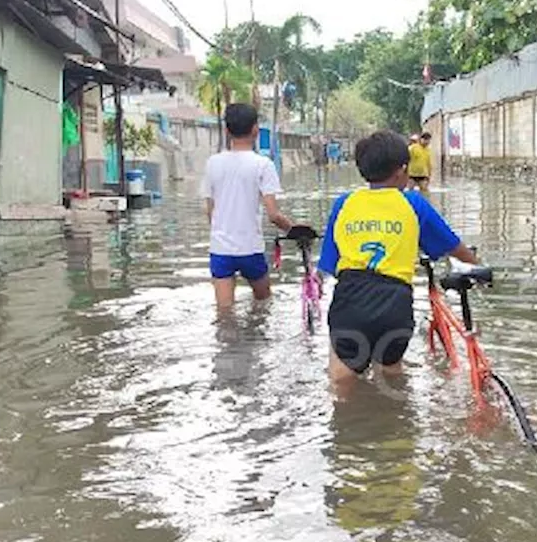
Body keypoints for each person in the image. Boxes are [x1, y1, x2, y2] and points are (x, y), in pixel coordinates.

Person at [316, 130, 477, 389]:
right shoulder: (414, 203)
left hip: (351, 299)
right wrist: (477, 264)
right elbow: (454, 246)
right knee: (391, 375)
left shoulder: (344, 204)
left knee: (341, 381)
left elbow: (330, 265)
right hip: (396, 304)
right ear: (402, 170)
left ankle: (349, 420)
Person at [201, 103, 295, 308]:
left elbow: (209, 210)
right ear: (255, 129)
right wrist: (294, 230)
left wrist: (222, 232)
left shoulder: (212, 163)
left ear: (226, 130)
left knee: (224, 314)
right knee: (264, 304)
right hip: (250, 249)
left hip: (220, 250)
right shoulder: (262, 165)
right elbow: (273, 215)